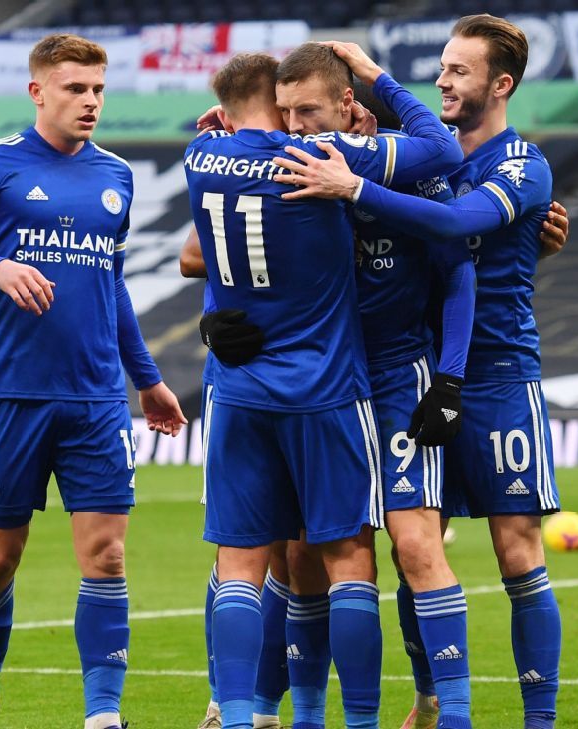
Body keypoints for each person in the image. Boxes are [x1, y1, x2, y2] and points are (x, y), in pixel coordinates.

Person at [274, 17, 566, 729]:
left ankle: (539, 720)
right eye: (441, 67)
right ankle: (431, 701)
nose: (443, 81)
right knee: (416, 543)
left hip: (494, 373)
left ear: (502, 84)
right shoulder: (418, 157)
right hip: (416, 369)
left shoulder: (521, 165)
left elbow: (456, 228)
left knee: (517, 550)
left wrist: (354, 184)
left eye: (459, 70)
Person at [188, 49, 465, 729]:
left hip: (270, 383)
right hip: (324, 382)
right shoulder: (316, 156)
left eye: (306, 110)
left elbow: (456, 257)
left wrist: (449, 376)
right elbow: (440, 148)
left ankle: (246, 709)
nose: (296, 123)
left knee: (250, 558)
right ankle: (317, 716)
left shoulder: (204, 156)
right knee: (333, 556)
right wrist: (379, 80)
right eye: (287, 110)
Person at [0, 33, 187, 729]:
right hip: (11, 395)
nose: (91, 101)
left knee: (107, 555)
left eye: (98, 89)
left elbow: (113, 283)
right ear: (37, 91)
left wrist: (147, 379)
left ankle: (103, 716)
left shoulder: (117, 175)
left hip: (96, 397)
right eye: (76, 88)